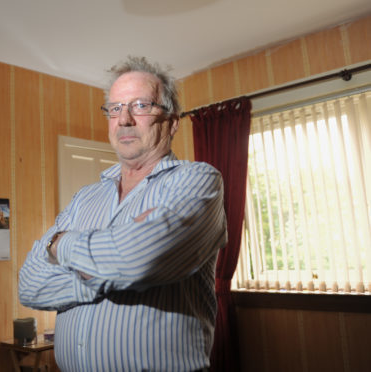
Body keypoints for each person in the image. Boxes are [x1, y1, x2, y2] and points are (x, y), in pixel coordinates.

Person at [19, 56, 227, 372]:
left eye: (141, 106)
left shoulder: (198, 180)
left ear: (172, 123)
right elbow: (30, 285)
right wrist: (112, 266)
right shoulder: (84, 198)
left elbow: (137, 260)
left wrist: (61, 245)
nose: (125, 119)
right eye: (115, 108)